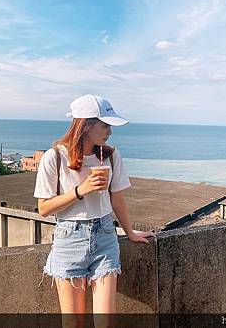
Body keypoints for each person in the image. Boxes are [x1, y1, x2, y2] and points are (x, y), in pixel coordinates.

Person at [34, 94, 154, 326]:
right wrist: (81, 190)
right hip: (69, 238)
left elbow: (117, 198)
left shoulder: (109, 155)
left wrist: (129, 233)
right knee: (73, 323)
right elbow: (44, 208)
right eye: (105, 125)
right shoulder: (55, 157)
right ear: (86, 125)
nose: (110, 131)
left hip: (105, 236)